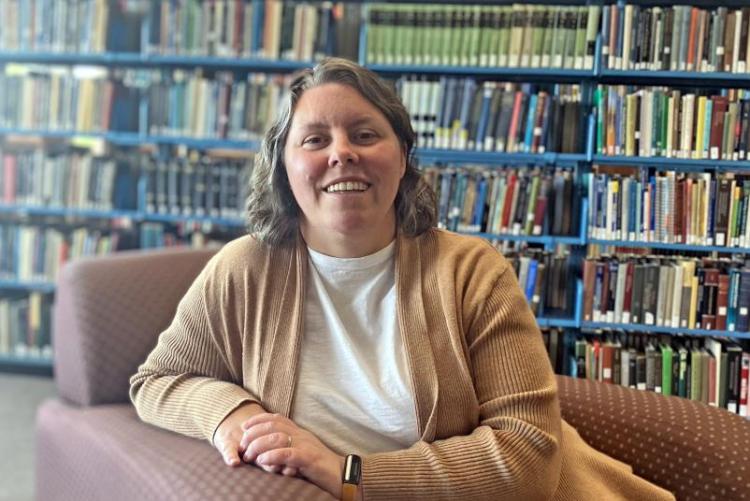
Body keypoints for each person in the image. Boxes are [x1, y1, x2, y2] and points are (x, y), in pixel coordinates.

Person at [130, 58, 674, 501]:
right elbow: (157, 381)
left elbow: (527, 455)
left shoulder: (471, 271)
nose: (342, 152)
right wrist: (232, 416)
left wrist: (350, 473)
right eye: (314, 140)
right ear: (282, 167)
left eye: (364, 134)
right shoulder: (244, 268)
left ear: (402, 157)